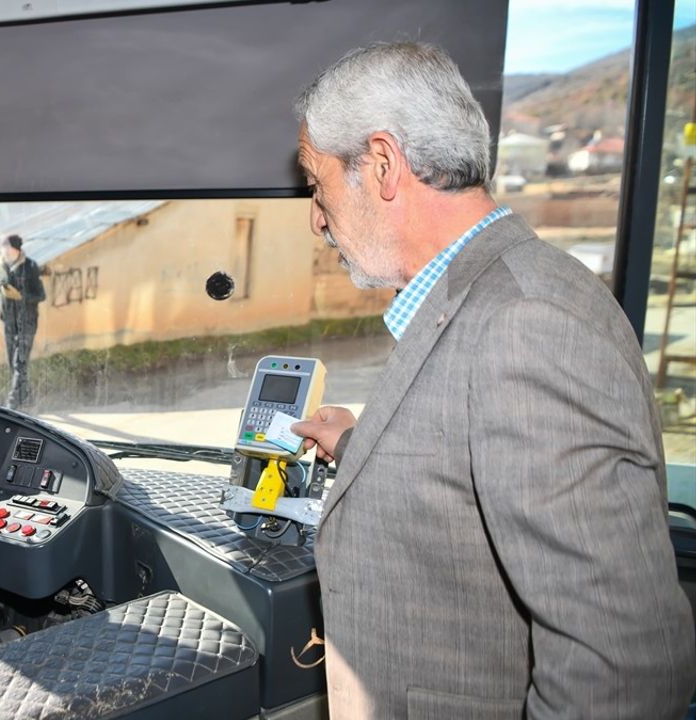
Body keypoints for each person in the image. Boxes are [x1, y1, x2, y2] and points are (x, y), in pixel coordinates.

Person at [287, 42, 695, 719]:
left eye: (316, 183)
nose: (317, 215)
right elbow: (477, 476)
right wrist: (359, 448)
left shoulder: (526, 322)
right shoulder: (475, 295)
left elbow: (623, 670)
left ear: (382, 165)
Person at [0, 234, 46, 409]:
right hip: (7, 322)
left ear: (17, 249)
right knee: (12, 364)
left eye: (7, 247)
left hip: (26, 322)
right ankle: (26, 398)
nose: (4, 251)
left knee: (19, 362)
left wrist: (21, 297)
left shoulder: (29, 266)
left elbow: (41, 295)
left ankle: (12, 402)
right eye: (3, 247)